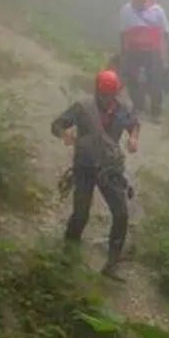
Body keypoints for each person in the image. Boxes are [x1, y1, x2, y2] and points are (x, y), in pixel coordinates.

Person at [51, 68, 139, 280]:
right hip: (85, 167)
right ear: (97, 90)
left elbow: (134, 124)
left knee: (121, 214)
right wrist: (64, 133)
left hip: (110, 169)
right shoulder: (83, 107)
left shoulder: (122, 109)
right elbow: (57, 124)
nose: (107, 97)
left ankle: (112, 264)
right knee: (80, 214)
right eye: (104, 93)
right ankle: (68, 255)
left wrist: (133, 137)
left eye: (110, 93)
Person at [118, 0, 169, 123]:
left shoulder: (157, 11)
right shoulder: (126, 10)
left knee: (156, 81)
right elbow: (123, 33)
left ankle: (156, 112)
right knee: (132, 79)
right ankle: (139, 107)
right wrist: (123, 53)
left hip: (152, 52)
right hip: (133, 51)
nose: (140, 2)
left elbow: (167, 33)